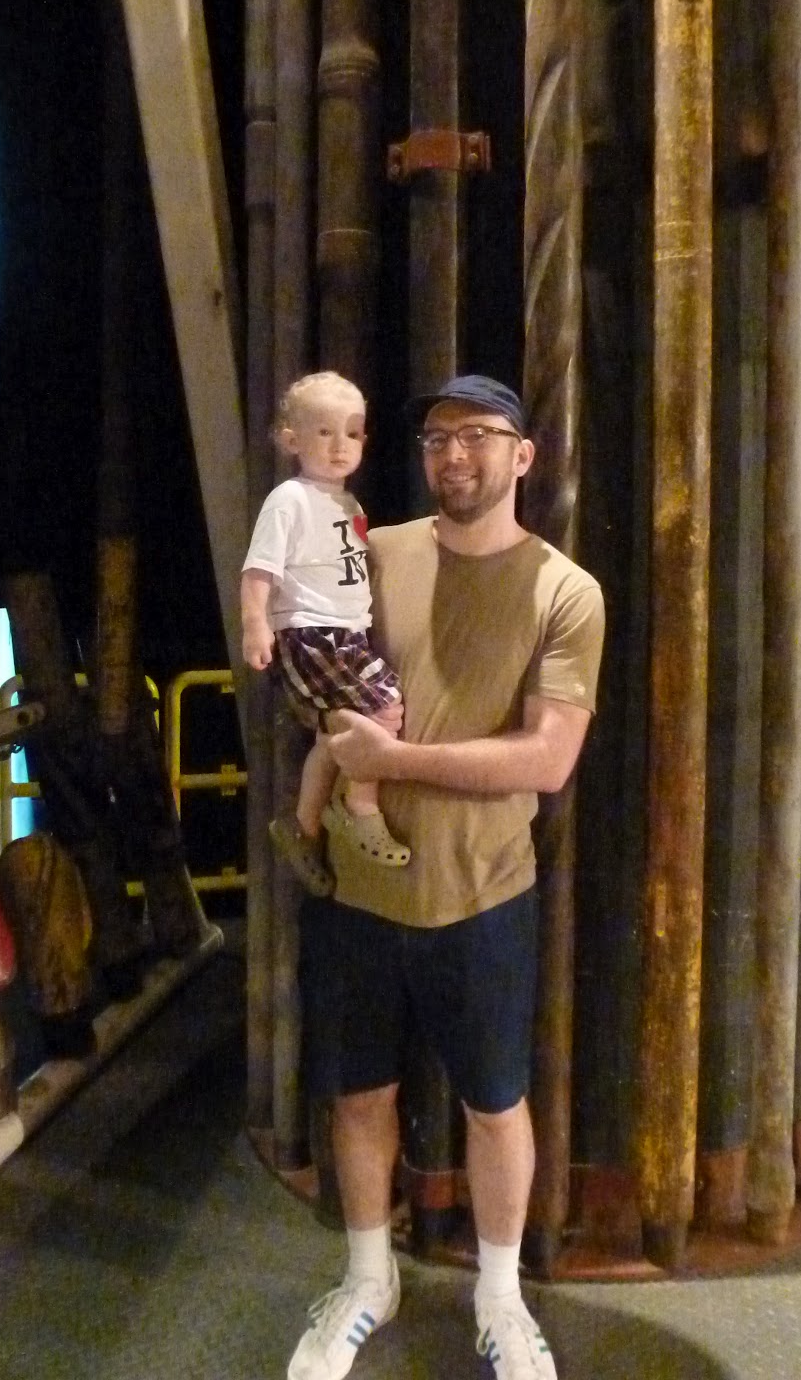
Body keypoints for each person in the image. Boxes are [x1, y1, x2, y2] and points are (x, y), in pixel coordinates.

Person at [287, 375, 605, 1380]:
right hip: (355, 892)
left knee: (496, 1104)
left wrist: (394, 760)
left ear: (524, 454)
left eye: (479, 435)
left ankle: (500, 1294)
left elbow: (548, 759)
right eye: (436, 438)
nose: (455, 454)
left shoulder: (565, 591)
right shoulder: (373, 554)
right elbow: (310, 665)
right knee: (358, 1098)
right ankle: (367, 1278)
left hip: (484, 895)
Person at [241, 371, 409, 898]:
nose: (340, 446)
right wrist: (255, 624)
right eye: (324, 432)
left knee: (333, 737)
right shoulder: (289, 499)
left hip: (348, 633)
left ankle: (303, 826)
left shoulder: (349, 504)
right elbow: (259, 568)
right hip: (312, 631)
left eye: (352, 433)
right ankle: (360, 804)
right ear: (291, 439)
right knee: (384, 708)